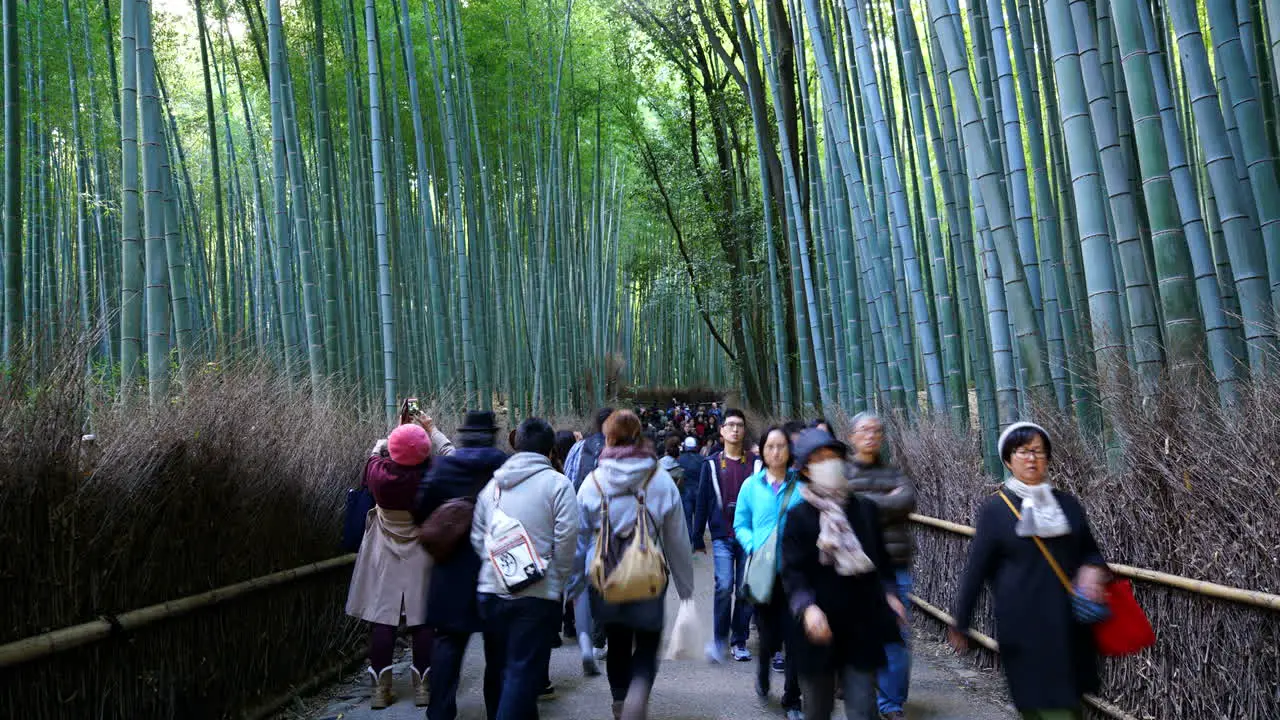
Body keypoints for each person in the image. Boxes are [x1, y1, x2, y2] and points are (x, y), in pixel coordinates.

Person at [949, 422, 1109, 720]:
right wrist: (961, 622)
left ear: (1048, 457)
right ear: (1008, 460)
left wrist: (1092, 569)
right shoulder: (996, 510)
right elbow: (976, 569)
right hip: (1024, 626)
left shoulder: (1068, 504)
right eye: (1023, 452)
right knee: (1038, 705)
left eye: (1038, 451)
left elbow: (1091, 551)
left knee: (1063, 703)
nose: (1032, 458)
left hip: (1067, 625)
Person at [575, 410, 695, 720]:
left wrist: (573, 580)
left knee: (616, 641)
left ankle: (619, 703)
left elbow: (578, 537)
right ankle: (638, 695)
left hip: (606, 576)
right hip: (649, 575)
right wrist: (685, 587)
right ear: (640, 436)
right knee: (647, 642)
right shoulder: (661, 480)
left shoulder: (593, 482)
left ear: (609, 437)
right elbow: (678, 540)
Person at [781, 429, 906, 720]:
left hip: (860, 625)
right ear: (805, 470)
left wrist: (890, 594)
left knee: (863, 709)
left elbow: (882, 564)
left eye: (833, 456)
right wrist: (807, 608)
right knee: (818, 710)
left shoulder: (865, 510)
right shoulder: (798, 517)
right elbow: (793, 572)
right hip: (817, 630)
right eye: (819, 459)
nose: (829, 463)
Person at [471, 418, 578, 720]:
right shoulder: (558, 484)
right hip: (535, 592)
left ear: (516, 445)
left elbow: (478, 535)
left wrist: (497, 567)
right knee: (520, 671)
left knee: (496, 669)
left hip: (491, 589)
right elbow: (567, 539)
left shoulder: (493, 485)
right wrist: (555, 580)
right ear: (550, 449)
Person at [415, 412, 508, 720]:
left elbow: (420, 511)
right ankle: (498, 711)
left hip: (451, 568)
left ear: (464, 436)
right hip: (496, 566)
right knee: (498, 648)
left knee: (448, 644)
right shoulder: (505, 467)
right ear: (492, 434)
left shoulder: (444, 467)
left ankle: (440, 712)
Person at [346, 421, 439, 709]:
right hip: (421, 550)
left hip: (384, 552)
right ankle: (423, 687)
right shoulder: (431, 476)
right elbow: (443, 456)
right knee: (422, 618)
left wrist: (388, 440)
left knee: (383, 619)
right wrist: (427, 434)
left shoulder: (379, 475)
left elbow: (373, 456)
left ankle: (379, 690)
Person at [844, 412, 916, 720]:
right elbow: (845, 508)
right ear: (851, 436)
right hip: (854, 567)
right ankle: (863, 692)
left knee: (896, 636)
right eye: (864, 430)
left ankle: (892, 703)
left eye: (876, 431)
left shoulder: (895, 473)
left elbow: (908, 500)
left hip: (895, 565)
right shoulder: (841, 473)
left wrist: (866, 505)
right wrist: (884, 504)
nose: (871, 436)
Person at [734, 426, 804, 720]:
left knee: (796, 638)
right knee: (768, 635)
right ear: (762, 450)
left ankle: (792, 699)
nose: (776, 452)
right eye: (770, 446)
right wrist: (753, 546)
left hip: (796, 572)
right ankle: (763, 669)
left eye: (781, 446)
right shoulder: (751, 486)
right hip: (764, 573)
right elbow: (741, 524)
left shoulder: (802, 485)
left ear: (790, 451)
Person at [691, 408, 760, 663]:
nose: (734, 429)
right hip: (722, 535)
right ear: (721, 431)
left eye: (739, 425)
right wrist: (697, 536)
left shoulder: (755, 464)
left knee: (745, 589)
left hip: (749, 536)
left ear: (744, 430)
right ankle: (719, 639)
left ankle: (739, 640)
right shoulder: (710, 464)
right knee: (723, 586)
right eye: (730, 425)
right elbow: (702, 501)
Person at [676, 436, 704, 531]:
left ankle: (689, 540)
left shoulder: (680, 459)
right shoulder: (702, 459)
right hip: (699, 491)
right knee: (699, 518)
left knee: (687, 519)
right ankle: (697, 540)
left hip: (685, 491)